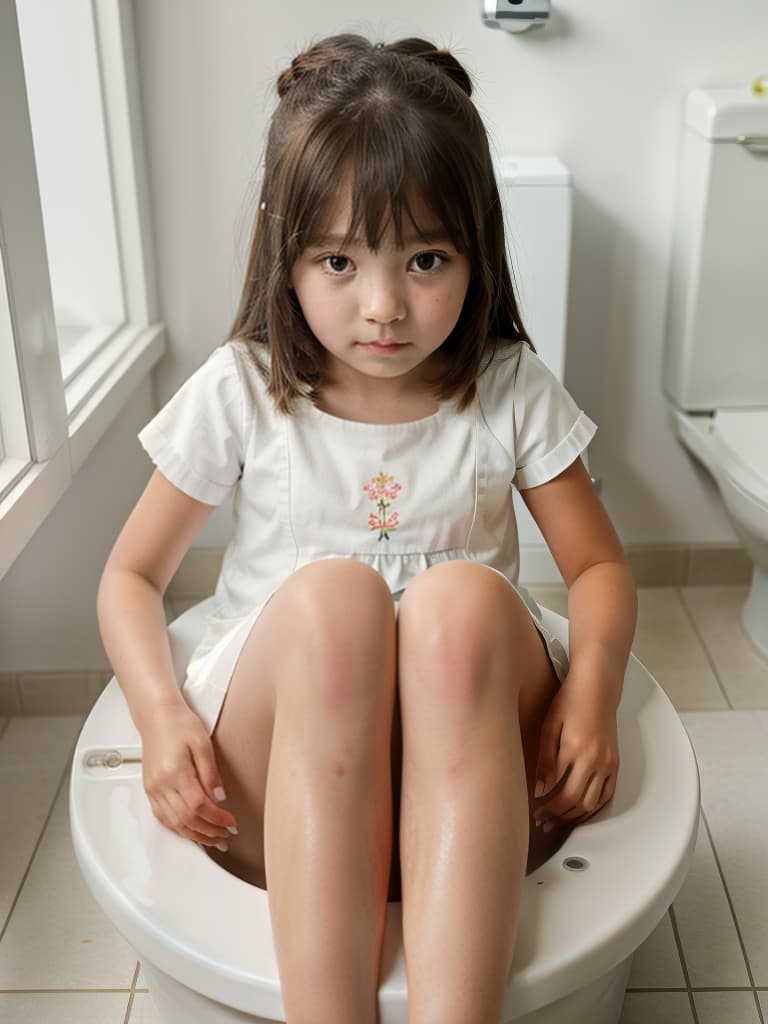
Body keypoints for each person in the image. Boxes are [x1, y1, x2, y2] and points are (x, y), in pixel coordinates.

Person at [96, 33, 638, 1024]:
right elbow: (130, 577)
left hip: (471, 770)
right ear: (286, 254)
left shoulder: (507, 388)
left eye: (426, 259)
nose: (384, 306)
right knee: (336, 602)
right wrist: (159, 716)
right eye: (339, 260)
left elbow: (596, 565)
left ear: (478, 249)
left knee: (460, 605)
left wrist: (595, 689)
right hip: (286, 780)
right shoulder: (246, 390)